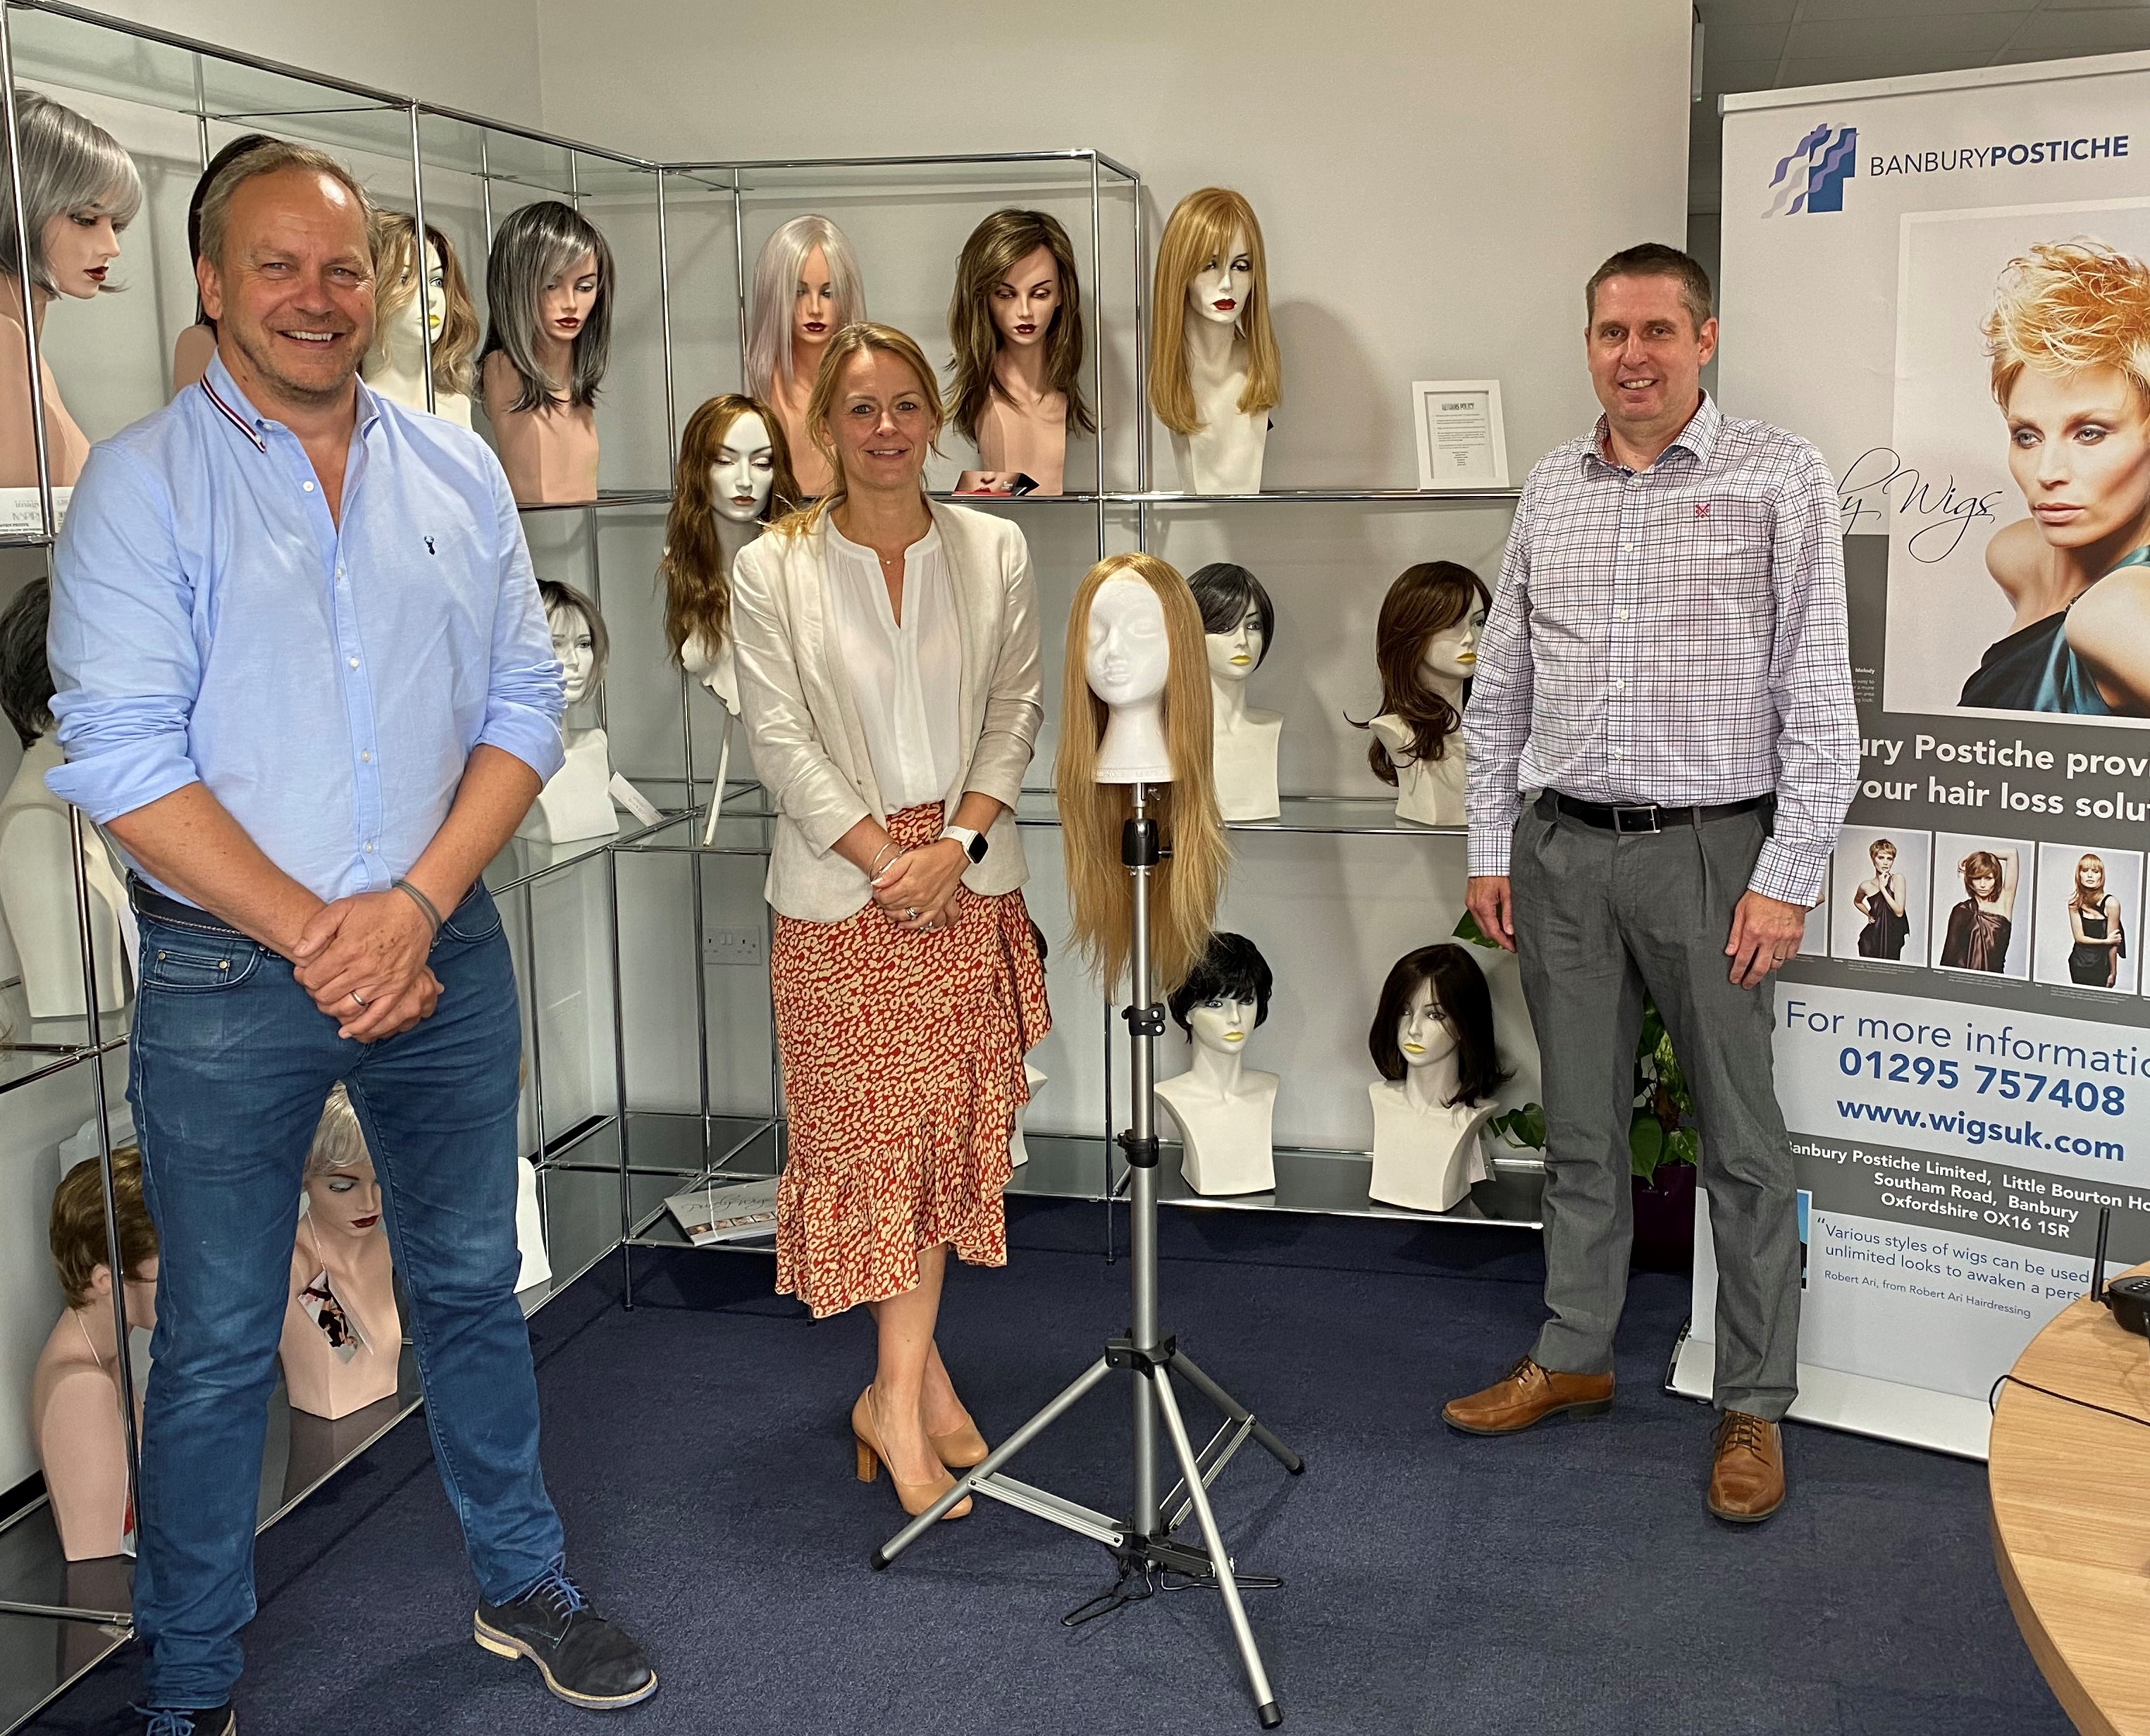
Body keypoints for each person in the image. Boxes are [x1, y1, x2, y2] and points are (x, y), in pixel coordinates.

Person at [41, 143, 654, 1735]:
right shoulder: (139, 485)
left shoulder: (453, 467)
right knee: (220, 1336)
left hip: (440, 952)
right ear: (213, 282)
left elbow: (527, 701)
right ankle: (188, 1684)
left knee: (464, 1282)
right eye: (278, 266)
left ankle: (521, 1586)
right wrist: (327, 932)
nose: (318, 299)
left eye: (343, 268)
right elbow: (117, 757)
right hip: (226, 976)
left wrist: (416, 908)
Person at [1452, 242, 1858, 1525]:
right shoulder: (1550, 487)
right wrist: (1487, 842)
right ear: (1588, 346)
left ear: (1705, 339)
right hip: (1562, 847)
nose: (1633, 354)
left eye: (1657, 331)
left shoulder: (1778, 475)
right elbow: (1502, 681)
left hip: (1711, 855)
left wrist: (1784, 876)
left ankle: (1754, 1398)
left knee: (1742, 1140)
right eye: (1610, 332)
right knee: (1579, 1128)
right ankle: (1573, 1354)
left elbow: (1820, 701)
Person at [731, 319, 1049, 1525]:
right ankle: (903, 1403)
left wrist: (953, 848)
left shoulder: (995, 548)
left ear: (937, 415)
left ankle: (903, 1392)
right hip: (843, 895)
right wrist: (888, 860)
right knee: (876, 1162)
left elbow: (1014, 708)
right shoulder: (774, 569)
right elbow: (781, 743)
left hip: (963, 879)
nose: (884, 430)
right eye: (860, 409)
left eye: (906, 405)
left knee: (937, 1154)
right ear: (825, 425)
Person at [1964, 241, 2150, 715]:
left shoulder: (2119, 611)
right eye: (2026, 436)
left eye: (2089, 433)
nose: (2046, 474)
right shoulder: (2016, 556)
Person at [1938, 845, 2020, 973]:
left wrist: (1973, 854)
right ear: (1970, 880)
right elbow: (1948, 958)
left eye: (1988, 878)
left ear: (1996, 879)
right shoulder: (1961, 911)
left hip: (1994, 984)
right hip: (1963, 984)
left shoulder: (2004, 903)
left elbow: (2012, 854)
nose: (1982, 884)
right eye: (1977, 878)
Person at [2066, 852, 2124, 988]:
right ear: (2079, 875)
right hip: (2079, 963)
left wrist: (2113, 973)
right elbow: (2079, 938)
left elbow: (2113, 944)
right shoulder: (2074, 904)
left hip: (2101, 965)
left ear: (2101, 876)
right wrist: (2106, 941)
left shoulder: (2111, 903)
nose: (2090, 875)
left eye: (2095, 871)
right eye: (2085, 871)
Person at [1852, 837, 1908, 960]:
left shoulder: (1897, 879)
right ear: (1873, 858)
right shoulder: (1866, 886)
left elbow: (1899, 912)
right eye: (1881, 858)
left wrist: (1883, 888)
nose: (1886, 863)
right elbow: (1857, 902)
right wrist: (1869, 914)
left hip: (1891, 937)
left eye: (1890, 859)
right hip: (1870, 939)